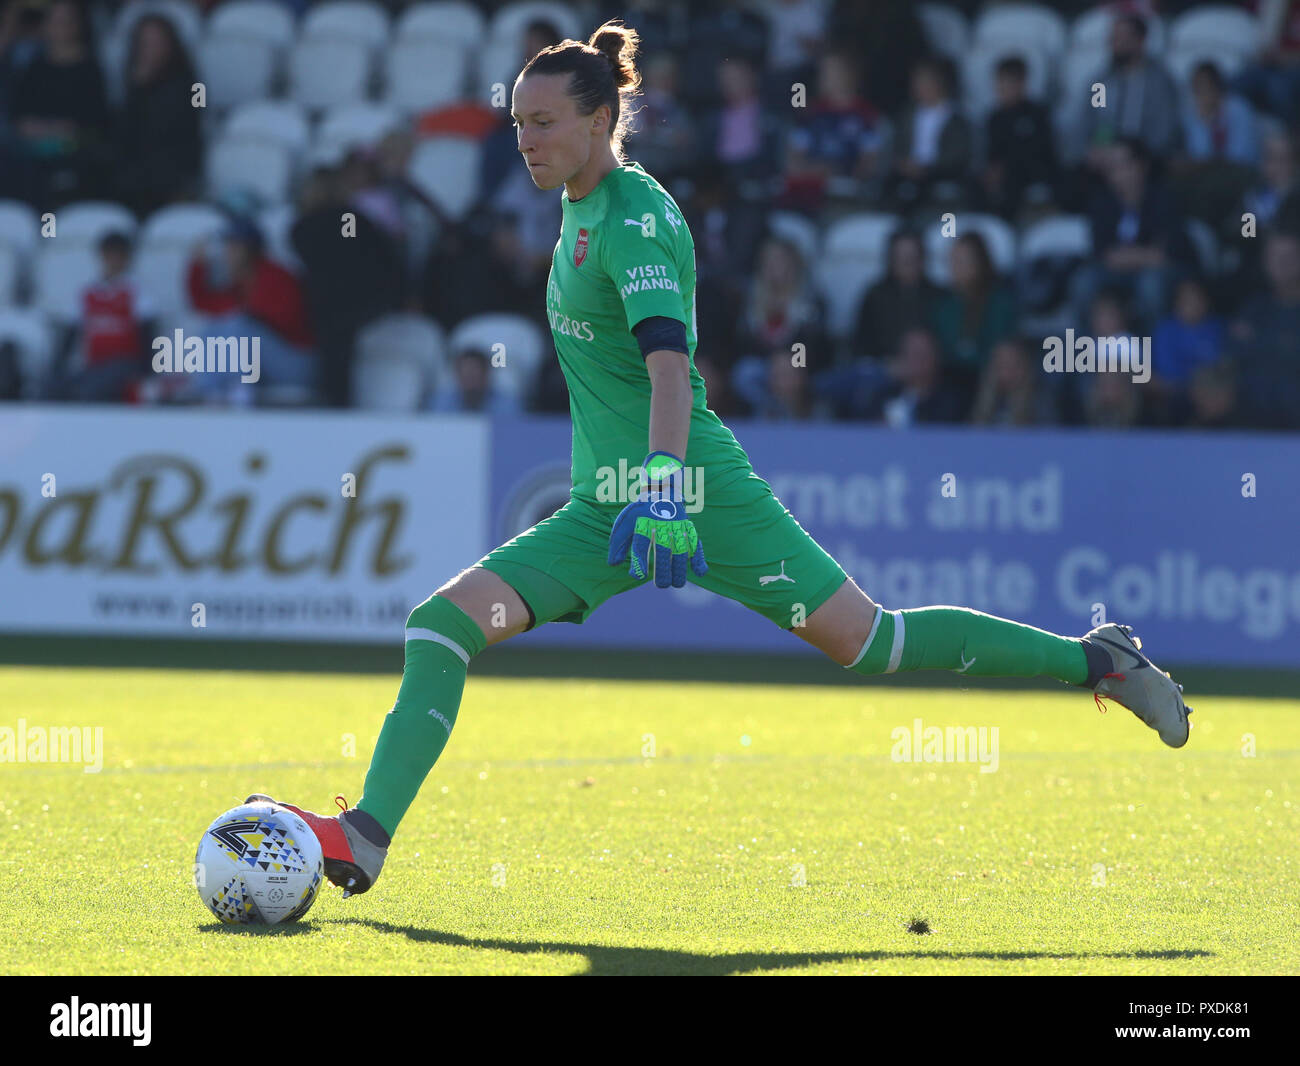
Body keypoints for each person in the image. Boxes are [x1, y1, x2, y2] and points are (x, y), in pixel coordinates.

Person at [248, 22, 1193, 899]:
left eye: (543, 123)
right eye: (516, 124)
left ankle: (1094, 661)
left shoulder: (634, 220)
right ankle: (366, 835)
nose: (524, 141)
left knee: (873, 643)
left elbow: (670, 368)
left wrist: (664, 490)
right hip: (604, 512)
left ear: (599, 118)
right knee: (439, 627)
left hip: (689, 489)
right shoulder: (576, 209)